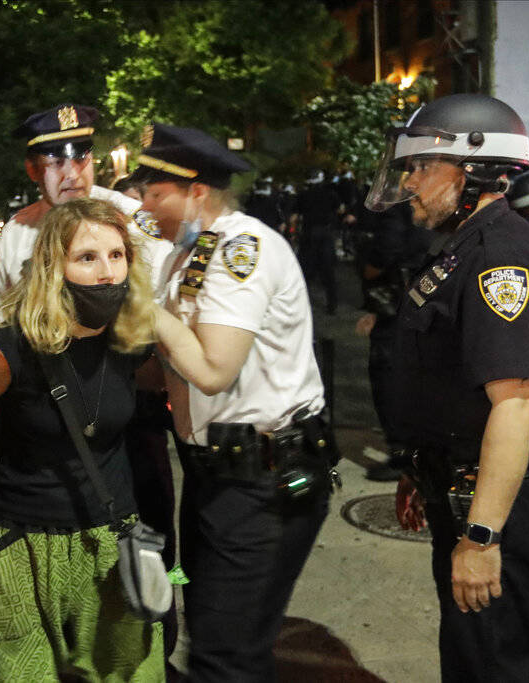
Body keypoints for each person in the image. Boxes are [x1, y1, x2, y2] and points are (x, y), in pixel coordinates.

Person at [365, 93, 529, 682]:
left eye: (422, 165)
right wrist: (419, 467)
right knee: (470, 657)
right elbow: (445, 381)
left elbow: (516, 405)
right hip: (457, 484)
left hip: (493, 504)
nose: (410, 182)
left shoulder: (502, 258)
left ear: (474, 168)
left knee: (493, 665)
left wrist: (481, 538)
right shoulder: (464, 247)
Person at [135, 123, 334, 681]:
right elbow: (166, 370)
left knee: (226, 654)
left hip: (263, 481)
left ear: (196, 191)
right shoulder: (186, 255)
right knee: (215, 636)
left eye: (156, 193)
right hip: (218, 476)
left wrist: (145, 311)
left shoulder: (240, 250)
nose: (145, 206)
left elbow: (214, 371)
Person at [0, 198, 164, 681]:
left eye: (117, 256)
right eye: (88, 258)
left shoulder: (131, 344)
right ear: (55, 266)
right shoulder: (5, 351)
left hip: (111, 540)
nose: (107, 272)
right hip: (23, 545)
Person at [0, 104, 171, 320]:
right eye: (57, 162)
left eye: (81, 159)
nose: (72, 174)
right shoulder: (17, 232)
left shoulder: (129, 217)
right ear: (33, 169)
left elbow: (162, 298)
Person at [353, 202, 433, 481]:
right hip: (414, 300)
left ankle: (402, 455)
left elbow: (386, 247)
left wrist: (369, 267)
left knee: (387, 378)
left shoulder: (399, 206)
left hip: (398, 301)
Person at [297, 169, 342, 314]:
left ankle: (301, 306)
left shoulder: (303, 195)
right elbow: (339, 209)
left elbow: (296, 214)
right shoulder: (331, 194)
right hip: (325, 234)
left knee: (305, 273)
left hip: (309, 234)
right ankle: (332, 304)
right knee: (328, 272)